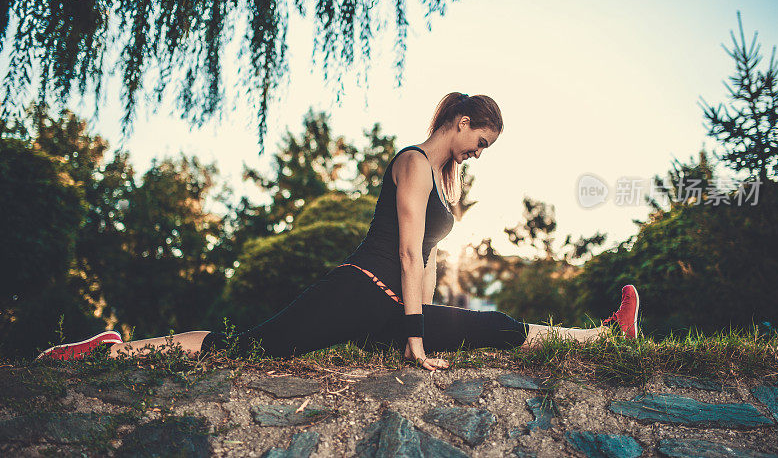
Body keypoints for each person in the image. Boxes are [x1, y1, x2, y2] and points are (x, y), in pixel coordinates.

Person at [38, 93, 640, 371]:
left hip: (388, 303)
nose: (480, 154)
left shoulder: (446, 179)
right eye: (480, 142)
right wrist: (416, 337)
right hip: (356, 289)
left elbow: (427, 256)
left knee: (490, 326)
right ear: (461, 124)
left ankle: (604, 336)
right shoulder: (412, 163)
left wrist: (421, 317)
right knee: (245, 347)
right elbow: (406, 249)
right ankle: (111, 350)